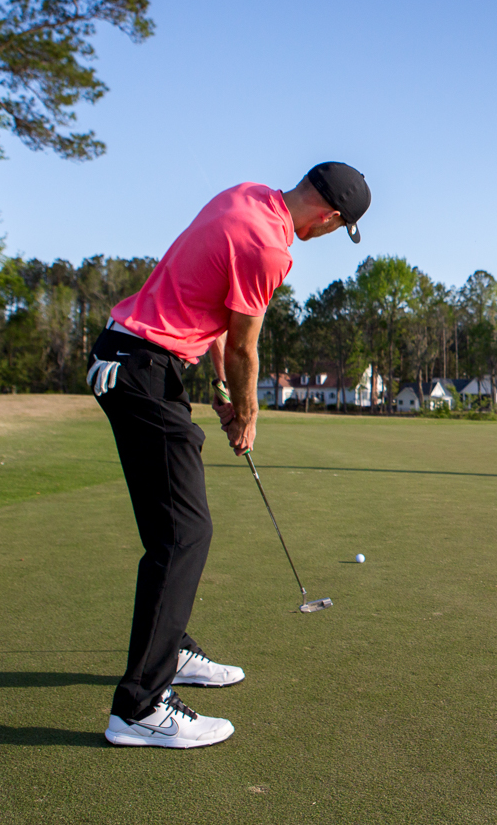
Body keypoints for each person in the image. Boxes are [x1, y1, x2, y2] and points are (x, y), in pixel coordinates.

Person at [88, 162, 370, 748]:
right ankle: (140, 707)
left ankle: (175, 651)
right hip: (142, 371)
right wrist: (247, 414)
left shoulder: (246, 198)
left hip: (134, 361)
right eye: (335, 230)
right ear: (332, 217)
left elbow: (212, 314)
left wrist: (218, 390)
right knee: (184, 536)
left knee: (172, 530)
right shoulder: (272, 247)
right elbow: (245, 348)